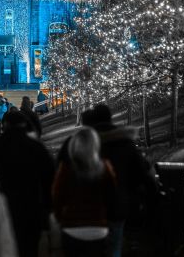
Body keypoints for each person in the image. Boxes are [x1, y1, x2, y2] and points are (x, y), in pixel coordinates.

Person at [60, 104, 157, 257]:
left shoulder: (74, 144)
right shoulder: (125, 144)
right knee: (113, 248)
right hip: (115, 210)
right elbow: (142, 175)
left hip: (77, 213)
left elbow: (60, 178)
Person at [0, 111, 55, 257]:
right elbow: (49, 179)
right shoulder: (36, 148)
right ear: (24, 125)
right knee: (29, 248)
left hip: (1, 208)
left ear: (5, 125)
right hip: (31, 208)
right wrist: (47, 209)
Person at [52, 127, 117, 257]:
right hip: (98, 227)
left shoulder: (66, 169)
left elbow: (57, 196)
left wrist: (59, 218)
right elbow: (112, 197)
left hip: (72, 227)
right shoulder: (105, 167)